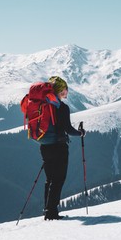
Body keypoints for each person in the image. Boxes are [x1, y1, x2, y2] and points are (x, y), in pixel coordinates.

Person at [40, 76, 85, 220]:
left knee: (50, 179)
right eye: (65, 90)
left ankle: (47, 210)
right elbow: (68, 129)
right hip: (59, 147)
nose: (66, 93)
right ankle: (52, 212)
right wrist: (80, 133)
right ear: (60, 90)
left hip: (44, 146)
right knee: (58, 179)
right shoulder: (62, 107)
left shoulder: (44, 105)